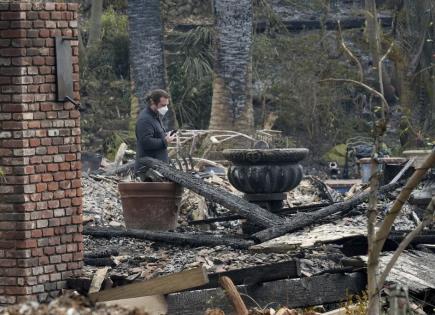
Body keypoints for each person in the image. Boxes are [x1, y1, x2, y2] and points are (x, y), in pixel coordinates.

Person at [134, 89, 176, 174]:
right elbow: (146, 142)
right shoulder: (145, 119)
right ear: (153, 102)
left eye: (167, 105)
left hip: (157, 169)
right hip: (147, 171)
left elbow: (156, 135)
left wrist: (165, 135)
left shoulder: (156, 116)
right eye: (163, 105)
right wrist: (165, 141)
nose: (166, 108)